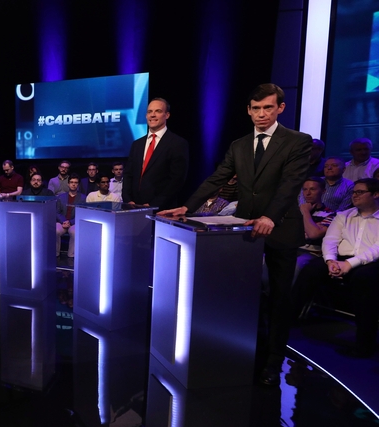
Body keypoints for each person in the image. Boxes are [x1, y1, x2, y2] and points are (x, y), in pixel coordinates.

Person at [159, 84, 312, 386]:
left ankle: (273, 363)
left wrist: (271, 216)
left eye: (268, 108)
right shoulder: (239, 144)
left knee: (279, 301)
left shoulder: (298, 141)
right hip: (244, 230)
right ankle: (244, 352)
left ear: (280, 108)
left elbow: (290, 185)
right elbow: (217, 177)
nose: (261, 114)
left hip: (280, 228)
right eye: (256, 109)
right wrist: (186, 207)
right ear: (248, 110)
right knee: (242, 296)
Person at [293, 178, 379, 357]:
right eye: (354, 192)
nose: (354, 195)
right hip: (341, 258)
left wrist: (349, 264)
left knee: (365, 279)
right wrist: (330, 261)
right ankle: (288, 320)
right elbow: (330, 240)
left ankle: (364, 344)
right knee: (312, 269)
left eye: (360, 192)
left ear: (376, 194)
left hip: (371, 262)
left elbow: (376, 250)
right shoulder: (344, 215)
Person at [122, 98, 189, 210]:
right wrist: (127, 199)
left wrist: (155, 204)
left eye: (158, 111)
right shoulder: (137, 144)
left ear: (167, 115)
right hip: (133, 208)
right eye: (149, 112)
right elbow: (128, 174)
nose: (152, 115)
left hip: (162, 210)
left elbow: (177, 180)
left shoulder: (177, 143)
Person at [55, 174, 86, 258]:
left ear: (78, 185)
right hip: (62, 222)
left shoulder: (83, 198)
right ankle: (56, 254)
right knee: (55, 230)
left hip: (74, 222)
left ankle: (71, 256)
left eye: (76, 182)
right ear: (68, 184)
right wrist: (63, 221)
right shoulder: (61, 197)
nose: (73, 184)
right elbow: (57, 212)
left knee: (75, 232)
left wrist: (70, 222)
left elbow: (82, 213)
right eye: (71, 182)